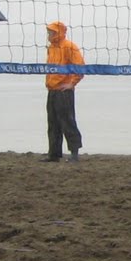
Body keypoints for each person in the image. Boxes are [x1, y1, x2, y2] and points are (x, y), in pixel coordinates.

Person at [44, 19, 84, 162]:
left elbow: (80, 67)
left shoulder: (69, 46)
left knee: (67, 122)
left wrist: (71, 84)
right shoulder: (51, 48)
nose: (49, 34)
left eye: (51, 32)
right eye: (48, 32)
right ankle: (54, 154)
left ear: (58, 32)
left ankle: (74, 153)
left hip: (64, 91)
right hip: (52, 89)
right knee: (53, 123)